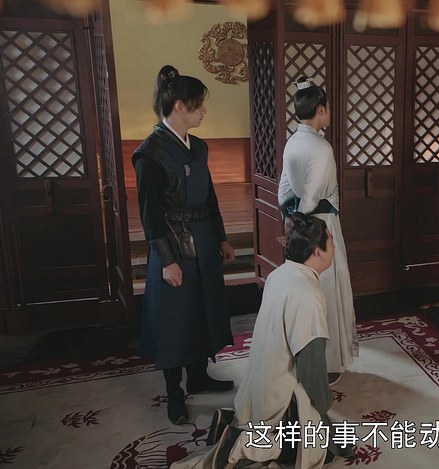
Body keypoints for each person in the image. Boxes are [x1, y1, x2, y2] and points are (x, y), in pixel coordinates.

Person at [172, 213, 354, 469]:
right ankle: (241, 447)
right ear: (317, 251)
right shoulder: (307, 294)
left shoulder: (280, 274)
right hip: (279, 395)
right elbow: (310, 369)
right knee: (324, 449)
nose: (334, 247)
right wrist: (323, 405)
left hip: (256, 388)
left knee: (337, 438)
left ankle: (236, 431)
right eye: (331, 242)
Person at [132, 65, 235, 426]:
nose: (204, 111)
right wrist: (166, 261)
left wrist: (221, 236)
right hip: (173, 246)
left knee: (202, 308)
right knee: (174, 319)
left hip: (203, 238)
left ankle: (200, 376)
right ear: (179, 106)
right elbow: (150, 216)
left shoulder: (199, 147)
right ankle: (174, 393)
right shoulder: (150, 153)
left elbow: (210, 196)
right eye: (198, 104)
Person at [278, 76, 357, 383]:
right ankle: (328, 362)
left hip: (300, 222)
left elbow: (285, 186)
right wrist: (303, 218)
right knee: (327, 288)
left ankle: (305, 358)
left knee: (306, 289)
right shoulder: (321, 147)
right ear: (321, 109)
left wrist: (289, 217)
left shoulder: (292, 141)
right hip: (319, 223)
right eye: (328, 108)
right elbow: (312, 195)